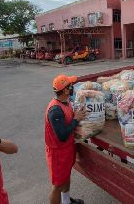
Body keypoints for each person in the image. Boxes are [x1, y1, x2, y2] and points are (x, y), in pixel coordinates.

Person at [45, 74, 86, 204]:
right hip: (58, 152)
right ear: (66, 90)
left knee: (66, 176)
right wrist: (75, 120)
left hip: (67, 149)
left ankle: (66, 201)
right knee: (57, 185)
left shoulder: (66, 102)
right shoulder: (55, 110)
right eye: (70, 85)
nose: (73, 87)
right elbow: (62, 135)